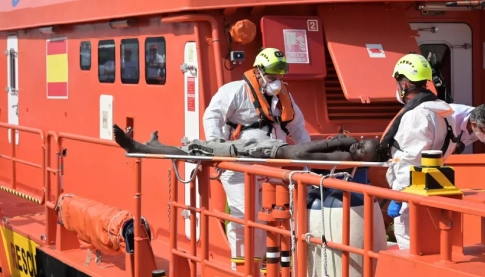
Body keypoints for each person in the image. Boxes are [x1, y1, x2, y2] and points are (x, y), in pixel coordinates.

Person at [201, 47, 311, 264]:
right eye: (272, 77)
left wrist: (306, 156)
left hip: (271, 164)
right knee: (245, 217)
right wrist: (216, 146)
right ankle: (242, 268)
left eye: (279, 77)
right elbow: (212, 116)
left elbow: (297, 127)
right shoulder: (235, 91)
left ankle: (265, 269)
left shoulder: (283, 96)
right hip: (240, 166)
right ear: (258, 71)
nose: (276, 81)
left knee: (274, 218)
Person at [377, 53, 459, 250]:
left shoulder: (416, 116)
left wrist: (398, 196)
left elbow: (408, 160)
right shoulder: (444, 112)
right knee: (430, 239)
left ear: (404, 84)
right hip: (435, 185)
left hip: (411, 191)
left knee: (408, 241)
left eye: (398, 83)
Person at [112, 124, 378, 162]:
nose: (357, 146)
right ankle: (151, 146)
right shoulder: (346, 154)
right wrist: (349, 140)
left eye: (361, 149)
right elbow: (328, 144)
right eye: (360, 143)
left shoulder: (344, 160)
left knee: (198, 149)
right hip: (264, 146)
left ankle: (141, 148)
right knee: (200, 146)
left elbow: (324, 150)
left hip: (260, 152)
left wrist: (346, 143)